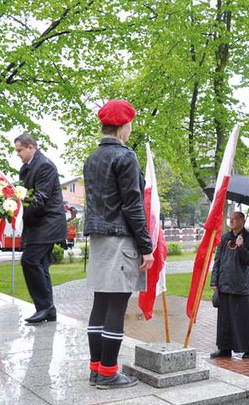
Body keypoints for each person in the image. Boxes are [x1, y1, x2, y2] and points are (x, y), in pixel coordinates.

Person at [83, 99, 154, 389]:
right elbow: (133, 205)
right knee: (117, 304)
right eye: (130, 125)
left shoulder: (92, 158)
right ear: (124, 125)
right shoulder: (126, 157)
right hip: (120, 238)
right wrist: (146, 245)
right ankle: (109, 373)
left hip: (98, 239)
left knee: (100, 303)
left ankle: (96, 369)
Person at [15, 134, 67, 323]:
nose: (18, 154)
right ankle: (48, 310)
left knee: (30, 261)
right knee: (41, 265)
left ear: (31, 147)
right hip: (37, 224)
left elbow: (41, 198)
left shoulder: (44, 165)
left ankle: (44, 307)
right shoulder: (26, 169)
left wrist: (18, 210)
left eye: (19, 150)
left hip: (48, 223)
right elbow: (23, 194)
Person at [209, 211, 249, 359]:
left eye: (235, 218)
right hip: (224, 285)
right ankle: (224, 348)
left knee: (245, 319)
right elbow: (217, 261)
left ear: (242, 221)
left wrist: (241, 247)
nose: (231, 221)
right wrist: (214, 281)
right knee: (225, 320)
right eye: (230, 218)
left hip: (241, 286)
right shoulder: (224, 238)